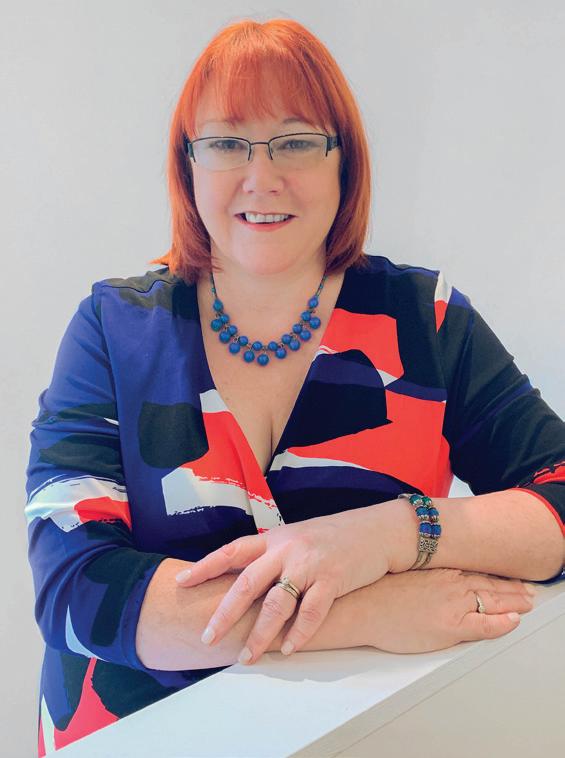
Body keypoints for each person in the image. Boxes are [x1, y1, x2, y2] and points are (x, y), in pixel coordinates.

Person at [25, 17, 565, 756]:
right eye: (227, 143)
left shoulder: (426, 319)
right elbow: (76, 588)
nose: (261, 176)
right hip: (132, 738)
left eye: (296, 141)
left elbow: (557, 496)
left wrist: (387, 536)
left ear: (345, 161)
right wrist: (363, 611)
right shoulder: (113, 328)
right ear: (188, 164)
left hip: (362, 737)